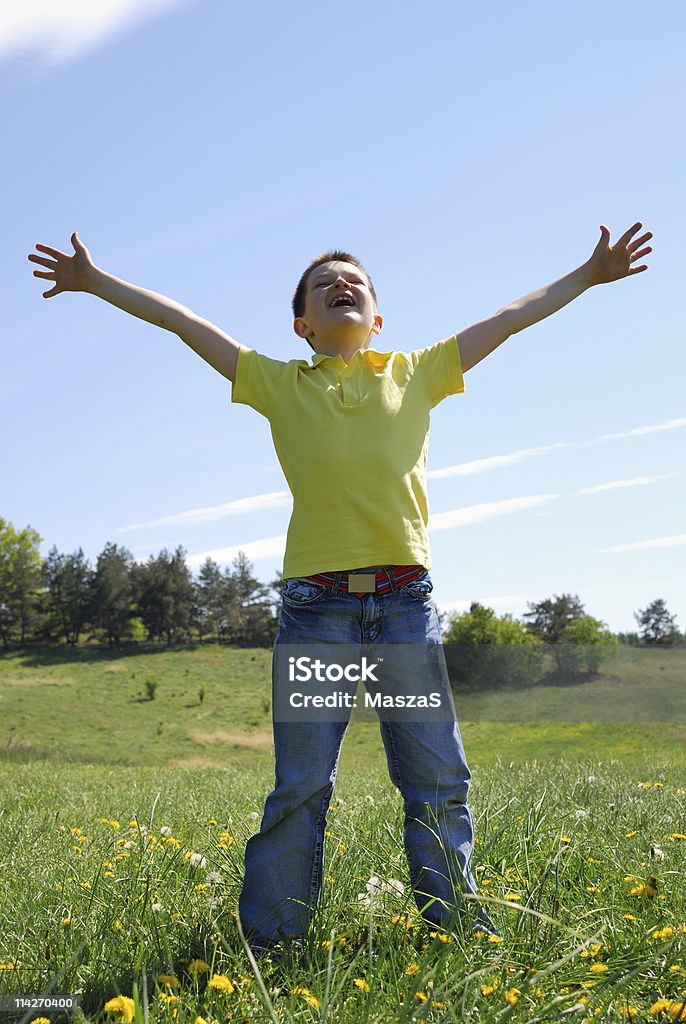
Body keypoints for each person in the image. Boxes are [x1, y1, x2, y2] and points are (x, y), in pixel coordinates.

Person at [28, 223, 652, 955]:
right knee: (300, 786)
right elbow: (181, 320)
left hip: (403, 611)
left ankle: (456, 934)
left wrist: (587, 273)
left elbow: (511, 317)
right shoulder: (277, 383)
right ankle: (274, 940)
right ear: (304, 324)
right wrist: (97, 281)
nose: (341, 286)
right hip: (316, 611)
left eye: (354, 280)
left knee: (436, 779)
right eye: (324, 286)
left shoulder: (418, 372)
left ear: (377, 315)